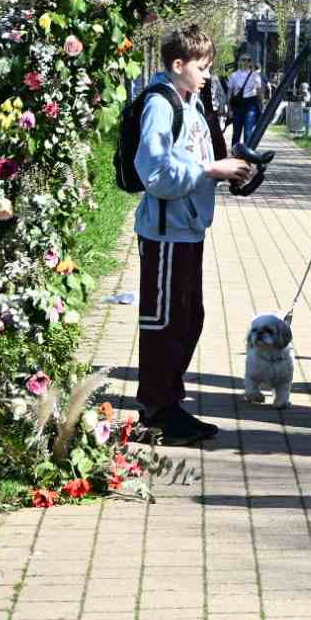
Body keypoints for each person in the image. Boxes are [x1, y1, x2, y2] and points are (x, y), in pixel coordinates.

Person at [134, 25, 252, 444]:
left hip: (188, 229)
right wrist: (209, 169)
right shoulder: (161, 105)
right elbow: (155, 173)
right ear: (178, 64)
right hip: (165, 233)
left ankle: (171, 403)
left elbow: (196, 158)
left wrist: (228, 169)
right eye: (202, 67)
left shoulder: (192, 103)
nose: (207, 75)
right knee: (164, 323)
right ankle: (155, 411)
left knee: (188, 319)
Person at [227, 54, 266, 146]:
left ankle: (247, 152)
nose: (246, 62)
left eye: (249, 60)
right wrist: (229, 109)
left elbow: (259, 92)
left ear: (251, 62)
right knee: (236, 132)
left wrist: (261, 105)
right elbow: (229, 93)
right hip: (238, 106)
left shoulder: (255, 75)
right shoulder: (234, 75)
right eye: (243, 59)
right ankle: (235, 151)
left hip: (251, 105)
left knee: (248, 132)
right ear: (239, 61)